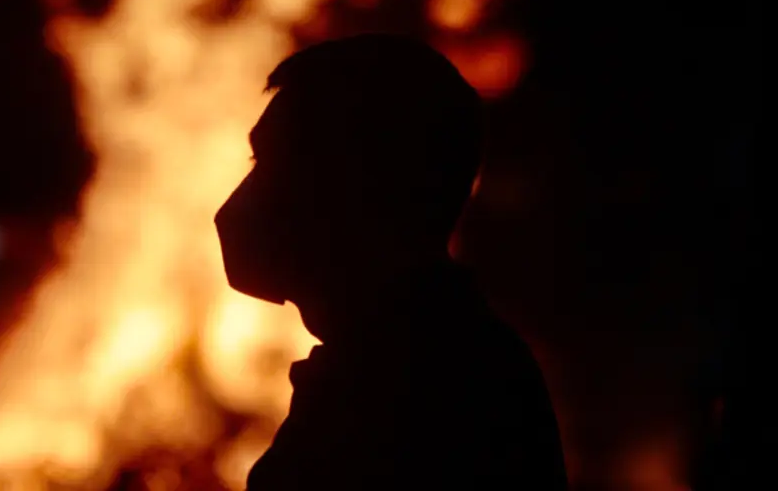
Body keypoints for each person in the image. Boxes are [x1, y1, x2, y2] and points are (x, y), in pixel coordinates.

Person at [215, 34, 568, 490]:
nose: (244, 197)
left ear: (353, 183)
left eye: (274, 162)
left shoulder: (411, 390)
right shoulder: (419, 358)